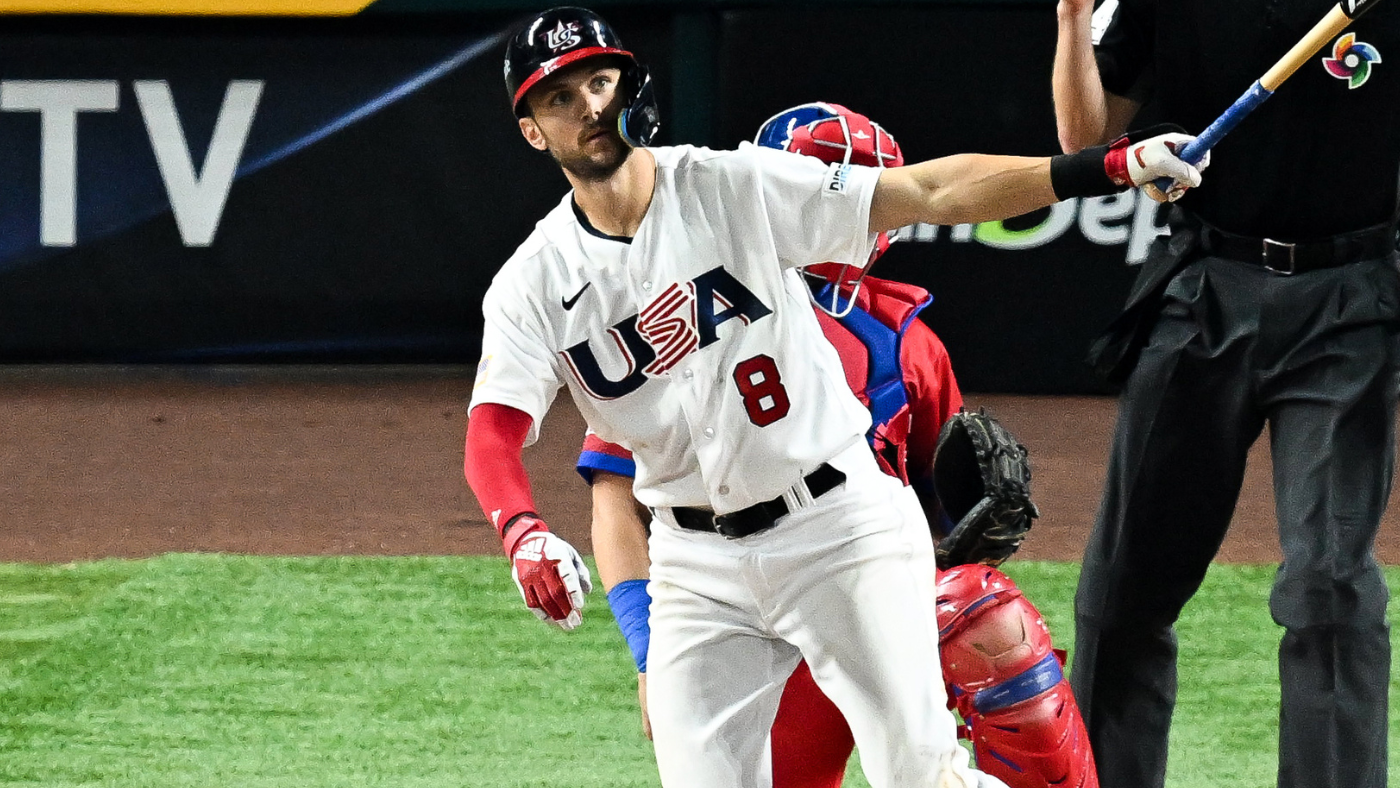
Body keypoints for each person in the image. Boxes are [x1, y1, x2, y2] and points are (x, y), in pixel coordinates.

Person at [464, 7, 1203, 786]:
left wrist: (1106, 168)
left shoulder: (730, 185)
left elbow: (927, 190)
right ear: (533, 132)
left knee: (918, 773)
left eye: (601, 81)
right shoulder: (533, 282)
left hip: (837, 528)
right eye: (559, 98)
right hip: (695, 566)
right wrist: (520, 529)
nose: (588, 107)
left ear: (632, 86)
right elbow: (493, 430)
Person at [579, 102, 1100, 788]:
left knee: (984, 615)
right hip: (743, 613)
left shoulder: (908, 342)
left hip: (859, 594)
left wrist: (964, 547)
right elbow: (617, 499)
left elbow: (935, 513)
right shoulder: (680, 316)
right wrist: (649, 653)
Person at [1052, 2, 1400, 787]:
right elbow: (1086, 138)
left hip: (1349, 308)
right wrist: (1073, 18)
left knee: (1330, 588)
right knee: (1121, 592)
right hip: (1202, 290)